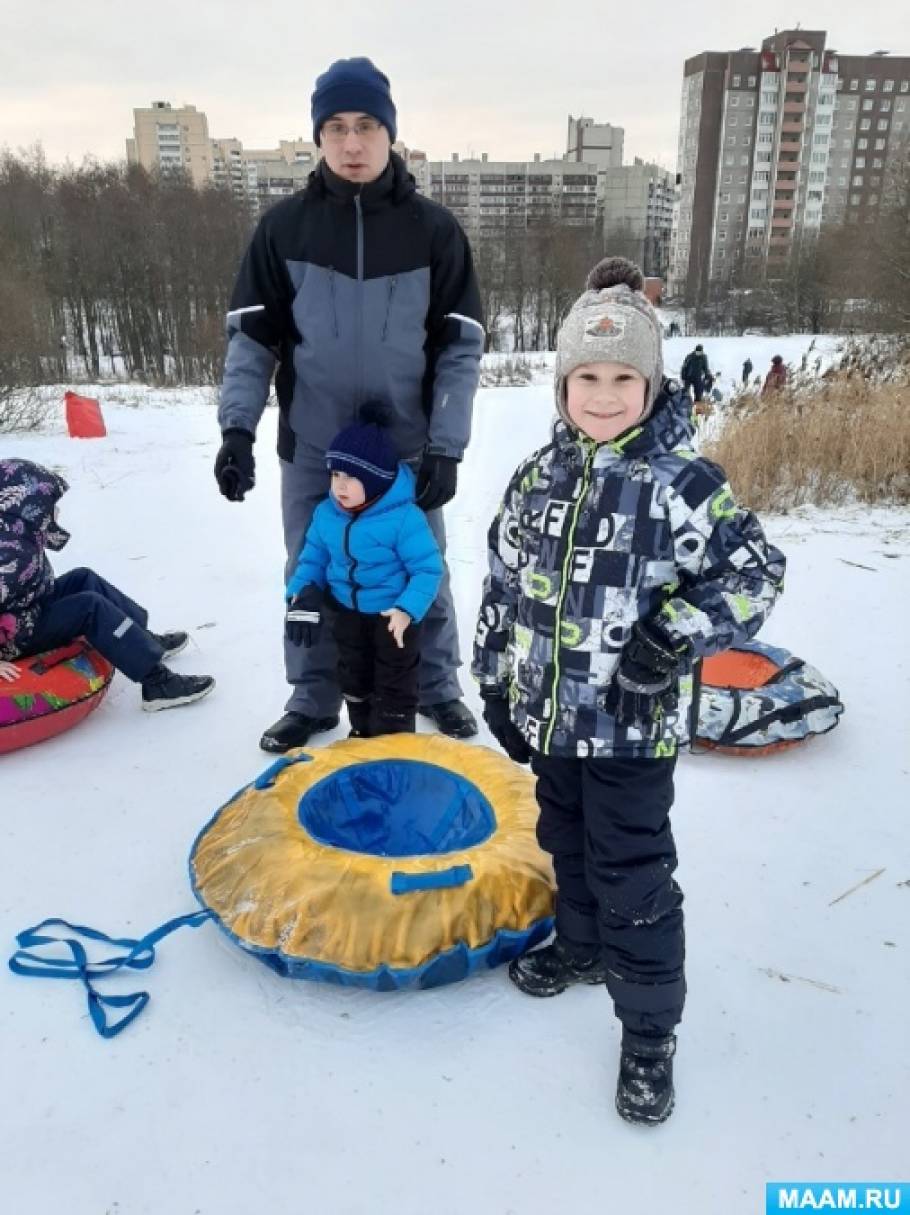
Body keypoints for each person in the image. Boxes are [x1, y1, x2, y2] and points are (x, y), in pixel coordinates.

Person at [472, 257, 785, 1125]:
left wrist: (673, 634)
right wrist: (497, 680)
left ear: (649, 383)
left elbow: (756, 575)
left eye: (623, 378)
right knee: (563, 840)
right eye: (586, 377)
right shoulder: (537, 478)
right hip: (553, 721)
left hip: (633, 730)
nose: (604, 396)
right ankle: (579, 949)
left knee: (632, 872)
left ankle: (649, 1031)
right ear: (562, 382)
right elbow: (504, 584)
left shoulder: (685, 484)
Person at [214, 56, 484, 753]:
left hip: (404, 452)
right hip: (313, 449)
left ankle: (435, 688)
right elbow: (251, 340)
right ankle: (312, 696)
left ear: (390, 132)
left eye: (366, 125)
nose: (353, 143)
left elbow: (460, 348)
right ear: (319, 137)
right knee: (310, 569)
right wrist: (237, 429)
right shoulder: (284, 231)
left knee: (424, 569)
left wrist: (448, 446)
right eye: (336, 127)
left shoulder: (434, 231)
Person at [0, 459, 214, 710]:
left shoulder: (17, 532)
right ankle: (157, 683)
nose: (57, 512)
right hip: (17, 636)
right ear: (27, 507)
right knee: (89, 607)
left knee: (83, 577)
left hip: (29, 608)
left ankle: (143, 639)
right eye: (50, 505)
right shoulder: (7, 553)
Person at [284, 405, 443, 737]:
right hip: (348, 614)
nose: (340, 486)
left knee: (395, 683)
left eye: (351, 477)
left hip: (393, 619)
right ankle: (362, 733)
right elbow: (312, 559)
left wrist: (406, 609)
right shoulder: (327, 514)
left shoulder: (403, 517)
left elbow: (427, 569)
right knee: (354, 676)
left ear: (376, 481)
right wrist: (300, 595)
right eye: (335, 475)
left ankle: (394, 741)